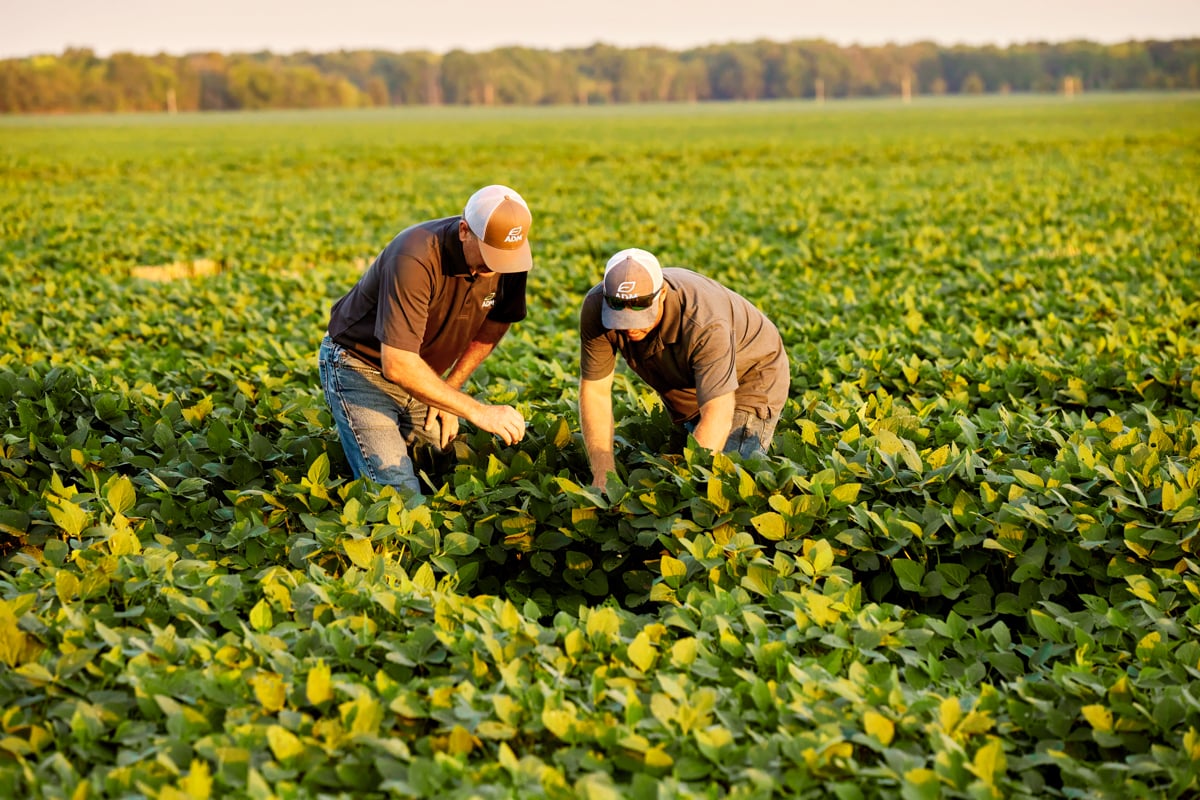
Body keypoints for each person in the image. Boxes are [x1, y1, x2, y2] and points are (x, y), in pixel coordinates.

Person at [318, 184, 532, 498]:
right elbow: (398, 364)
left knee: (455, 467)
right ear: (464, 231)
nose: (497, 267)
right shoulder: (415, 254)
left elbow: (497, 322)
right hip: (360, 369)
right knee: (400, 497)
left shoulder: (510, 257)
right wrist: (475, 410)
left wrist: (450, 391)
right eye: (490, 256)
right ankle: (356, 438)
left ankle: (372, 443)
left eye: (504, 258)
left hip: (422, 374)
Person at [578, 248, 790, 491]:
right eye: (619, 317)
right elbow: (595, 393)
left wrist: (686, 488)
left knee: (724, 483)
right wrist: (603, 476)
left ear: (662, 294)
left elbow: (718, 413)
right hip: (689, 384)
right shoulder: (597, 308)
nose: (629, 329)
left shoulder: (704, 321)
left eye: (640, 315)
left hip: (750, 376)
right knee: (665, 476)